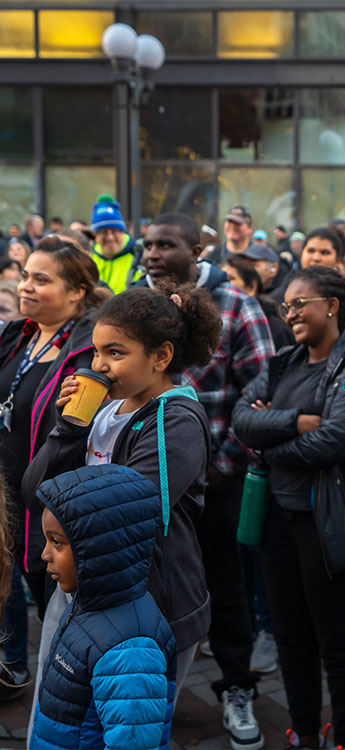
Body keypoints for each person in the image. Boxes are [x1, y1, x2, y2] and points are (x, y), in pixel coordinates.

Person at [24, 284, 220, 695]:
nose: (99, 366)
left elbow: (123, 512)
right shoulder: (104, 410)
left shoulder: (176, 419)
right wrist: (69, 427)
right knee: (56, 711)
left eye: (115, 353)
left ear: (161, 356)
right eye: (96, 352)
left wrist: (61, 503)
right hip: (79, 589)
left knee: (121, 723)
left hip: (145, 608)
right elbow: (34, 492)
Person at [232, 266, 345, 750]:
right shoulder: (283, 363)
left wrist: (271, 446)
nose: (291, 313)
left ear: (333, 306)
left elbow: (337, 439)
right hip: (280, 519)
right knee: (292, 638)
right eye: (287, 306)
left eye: (301, 304)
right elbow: (241, 419)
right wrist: (297, 421)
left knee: (339, 645)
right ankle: (302, 732)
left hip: (331, 524)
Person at [138, 212, 273, 750]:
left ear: (196, 250)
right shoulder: (134, 306)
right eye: (147, 244)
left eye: (166, 244)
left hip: (217, 484)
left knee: (226, 589)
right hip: (146, 483)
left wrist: (220, 467)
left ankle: (236, 687)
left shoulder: (236, 305)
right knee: (149, 589)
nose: (151, 253)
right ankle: (147, 698)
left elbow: (260, 392)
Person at [0, 238, 100, 698]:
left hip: (49, 500)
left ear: (77, 290)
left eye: (42, 279)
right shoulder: (18, 333)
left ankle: (62, 694)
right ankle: (12, 664)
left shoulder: (86, 350)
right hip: (6, 490)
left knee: (51, 599)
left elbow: (77, 429)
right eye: (25, 276)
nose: (26, 286)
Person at [29, 465, 177, 749]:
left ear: (98, 548)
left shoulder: (131, 652)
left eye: (57, 543)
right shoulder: (88, 607)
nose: (45, 554)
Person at [223, 254, 295, 350]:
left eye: (230, 279)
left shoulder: (276, 330)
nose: (223, 285)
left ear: (251, 287)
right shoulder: (220, 323)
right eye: (222, 279)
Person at [90, 195, 141, 294]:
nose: (110, 237)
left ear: (122, 232)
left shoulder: (139, 257)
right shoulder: (90, 258)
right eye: (104, 232)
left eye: (114, 231)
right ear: (95, 236)